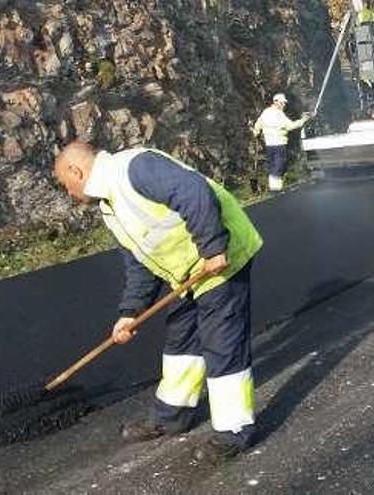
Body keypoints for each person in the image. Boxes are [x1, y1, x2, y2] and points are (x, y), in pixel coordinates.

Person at [54, 142, 263, 459]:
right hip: (188, 271)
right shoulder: (110, 205)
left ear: (75, 171)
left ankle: (234, 429)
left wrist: (213, 247)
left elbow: (193, 191)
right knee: (182, 338)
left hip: (222, 256)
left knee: (221, 341)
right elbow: (139, 263)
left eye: (64, 185)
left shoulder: (135, 168)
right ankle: (172, 416)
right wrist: (130, 312)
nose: (68, 192)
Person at [252, 93, 312, 192]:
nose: (284, 105)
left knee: (273, 166)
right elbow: (290, 126)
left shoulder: (266, 112)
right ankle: (275, 188)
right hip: (279, 144)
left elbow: (258, 123)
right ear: (276, 102)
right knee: (280, 165)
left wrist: (256, 132)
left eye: (284, 103)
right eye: (282, 103)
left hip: (269, 145)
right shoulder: (279, 114)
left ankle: (275, 188)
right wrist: (303, 120)